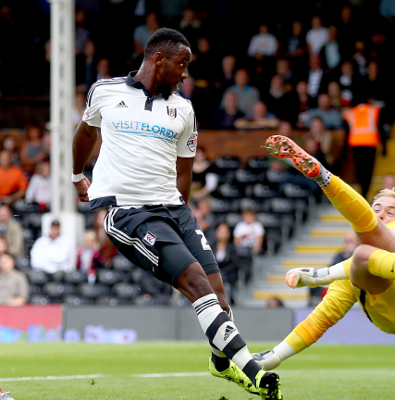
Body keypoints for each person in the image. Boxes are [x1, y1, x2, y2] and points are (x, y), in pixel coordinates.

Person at [71, 28, 282, 399]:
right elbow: (85, 135)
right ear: (159, 60)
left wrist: (183, 219)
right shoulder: (105, 91)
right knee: (198, 285)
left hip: (174, 211)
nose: (185, 74)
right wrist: (77, 177)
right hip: (130, 213)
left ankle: (221, 364)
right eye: (182, 65)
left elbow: (184, 173)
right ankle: (254, 371)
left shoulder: (183, 109)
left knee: (218, 296)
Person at [253, 135, 395, 370]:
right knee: (361, 257)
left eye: (391, 210)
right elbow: (321, 318)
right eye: (376, 209)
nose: (382, 214)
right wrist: (275, 355)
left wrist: (321, 275)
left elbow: (375, 235)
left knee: (363, 253)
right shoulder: (353, 265)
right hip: (389, 312)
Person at [344, 100, 381, 198]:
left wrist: (345, 149)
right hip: (370, 143)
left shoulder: (350, 112)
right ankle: (365, 193)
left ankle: (363, 193)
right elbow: (380, 127)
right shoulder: (374, 110)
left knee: (359, 171)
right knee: (368, 172)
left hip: (356, 144)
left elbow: (347, 131)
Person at [211, 222, 239, 305]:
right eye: (221, 232)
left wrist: (220, 273)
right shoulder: (211, 246)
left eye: (225, 232)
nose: (223, 235)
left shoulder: (232, 247)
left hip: (227, 274)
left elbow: (234, 264)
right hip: (213, 274)